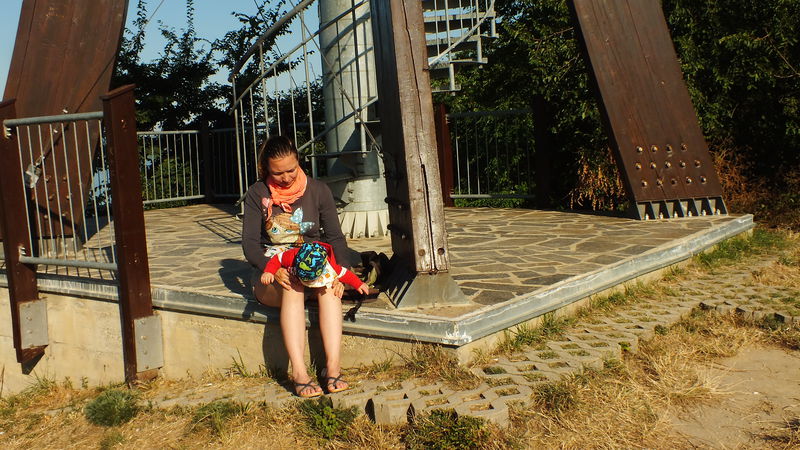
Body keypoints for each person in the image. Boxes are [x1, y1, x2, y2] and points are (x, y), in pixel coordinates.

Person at [241, 135, 355, 398]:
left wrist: (342, 273)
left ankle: (333, 367)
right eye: (277, 173)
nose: (286, 177)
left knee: (330, 286)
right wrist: (272, 268)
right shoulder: (257, 193)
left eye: (291, 170)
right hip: (274, 273)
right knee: (292, 286)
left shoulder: (318, 190)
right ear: (266, 169)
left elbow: (335, 238)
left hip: (312, 267)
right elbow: (250, 245)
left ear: (298, 162)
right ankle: (300, 373)